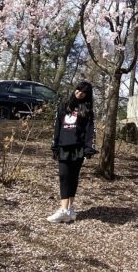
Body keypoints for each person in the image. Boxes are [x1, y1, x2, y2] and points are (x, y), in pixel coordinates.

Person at [48, 81, 97, 223]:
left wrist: (89, 148)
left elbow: (90, 130)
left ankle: (69, 209)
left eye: (83, 92)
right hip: (63, 146)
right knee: (63, 175)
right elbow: (57, 126)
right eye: (78, 90)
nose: (79, 93)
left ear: (87, 95)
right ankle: (63, 210)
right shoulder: (64, 106)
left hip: (78, 148)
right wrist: (55, 145)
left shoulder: (87, 110)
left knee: (73, 178)